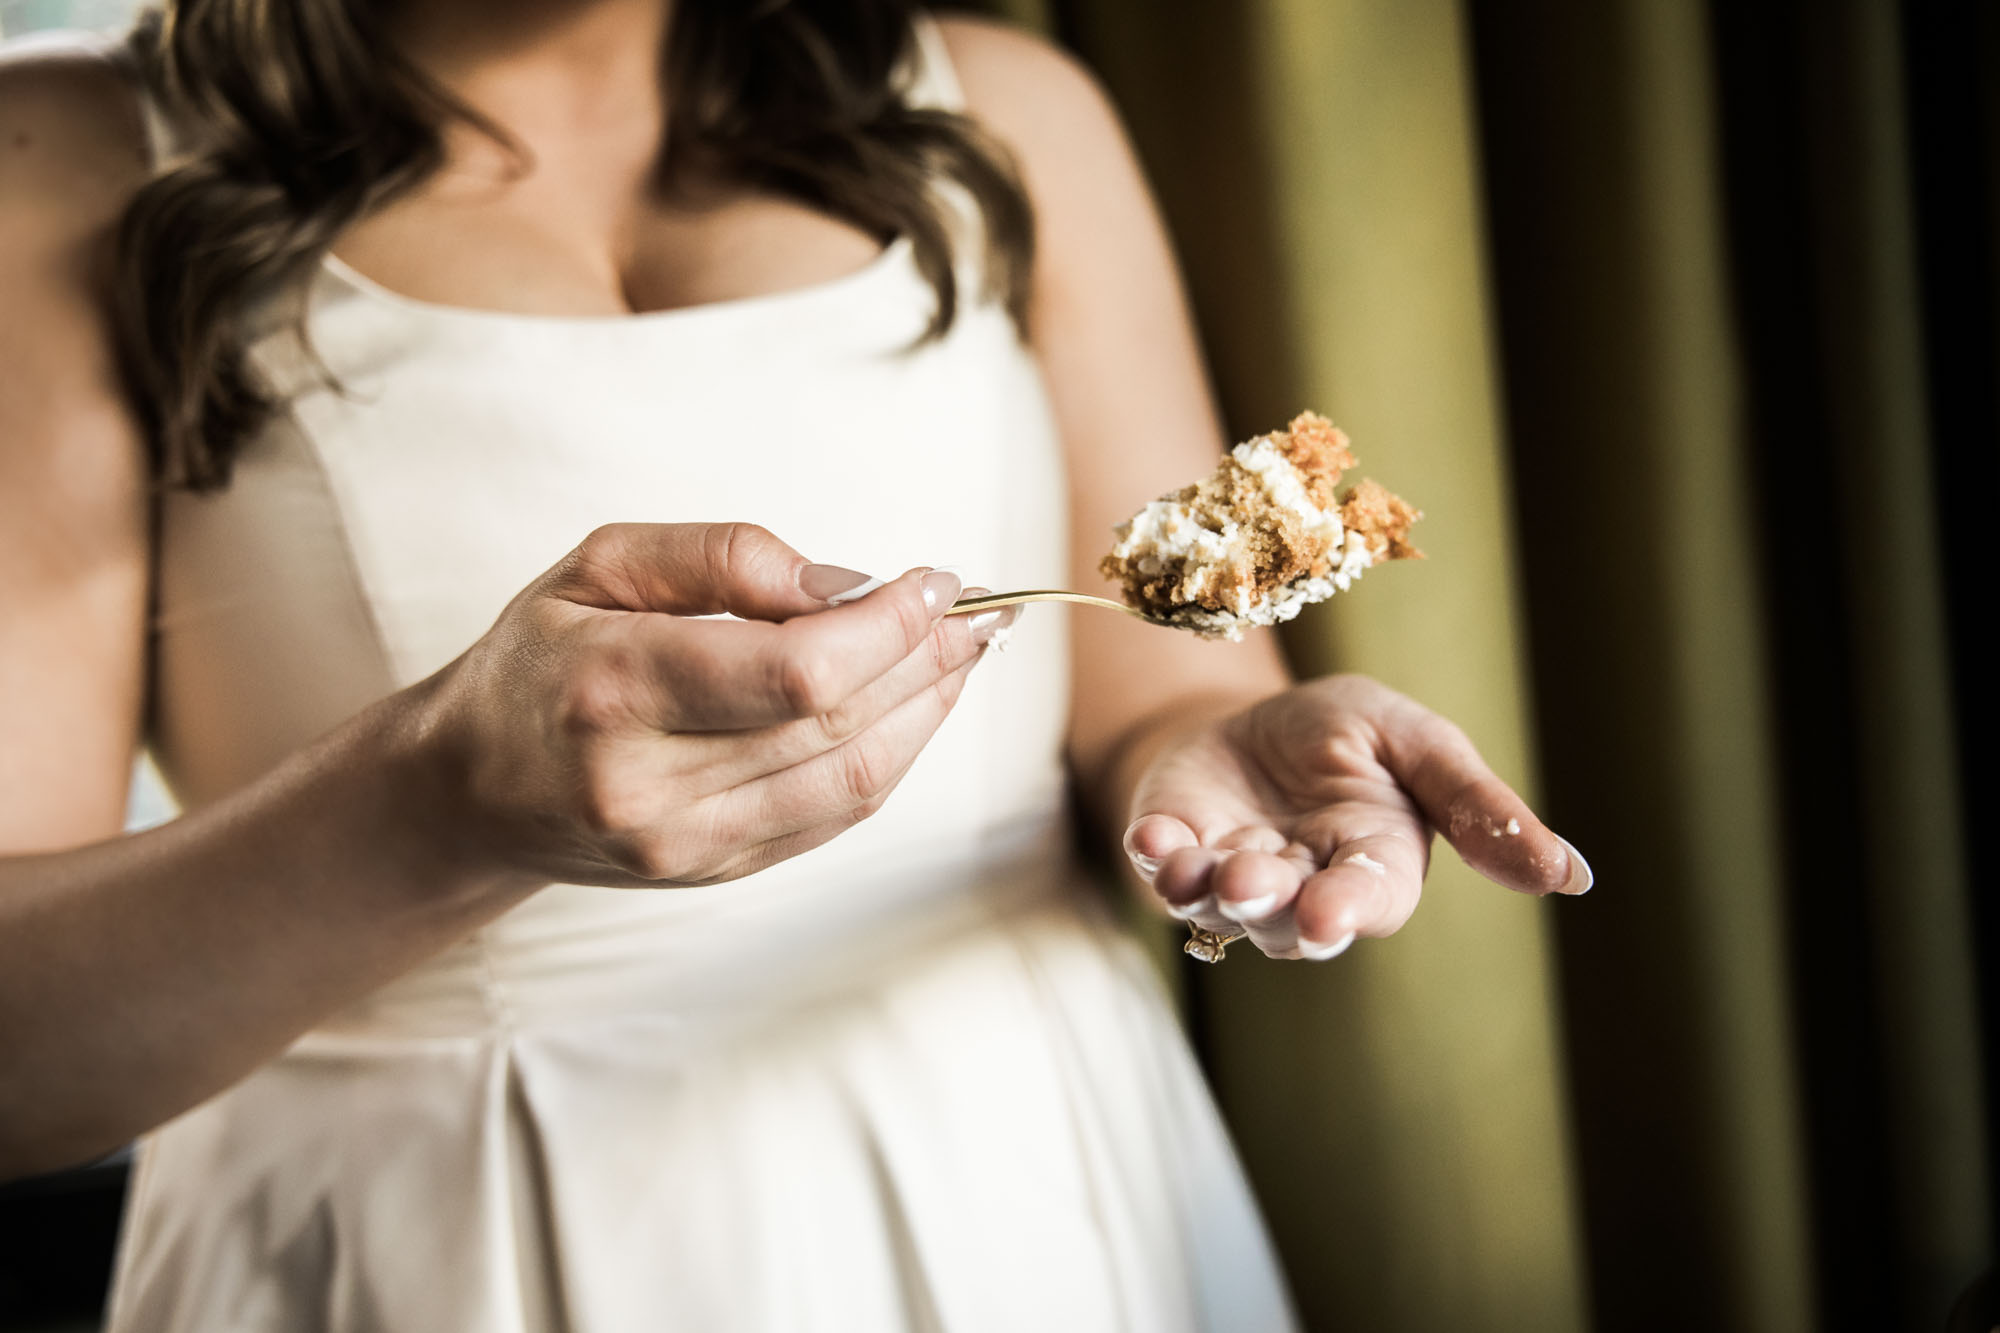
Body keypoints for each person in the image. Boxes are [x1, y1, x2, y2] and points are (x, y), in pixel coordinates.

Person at [0, 1, 1592, 1327]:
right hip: (426, 1249)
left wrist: (1223, 743)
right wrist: (435, 800)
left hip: (1024, 1187)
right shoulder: (54, 160)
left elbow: (1172, 685)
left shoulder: (1012, 110)